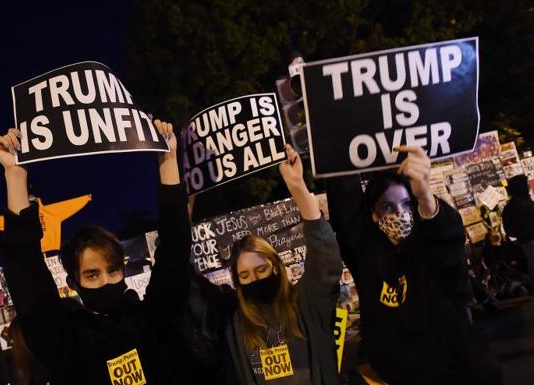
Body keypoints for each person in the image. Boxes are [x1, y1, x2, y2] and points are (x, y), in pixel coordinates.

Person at [0, 119, 192, 385]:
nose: (106, 281)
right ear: (73, 283)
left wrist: (168, 159)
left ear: (122, 269)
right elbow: (25, 273)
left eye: (112, 270)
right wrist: (15, 175)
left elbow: (175, 250)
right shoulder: (65, 341)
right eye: (91, 275)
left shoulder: (151, 319)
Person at [326, 146, 502, 385]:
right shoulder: (367, 256)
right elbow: (347, 213)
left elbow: (447, 244)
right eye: (387, 207)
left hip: (457, 375)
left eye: (407, 204)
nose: (400, 214)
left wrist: (425, 196)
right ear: (374, 215)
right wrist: (338, 139)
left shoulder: (431, 249)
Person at [188, 144, 343, 385]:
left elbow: (325, 258)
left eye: (261, 270)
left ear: (276, 267)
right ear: (237, 281)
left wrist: (298, 188)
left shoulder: (305, 302)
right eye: (246, 275)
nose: (255, 280)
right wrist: (183, 211)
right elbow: (187, 284)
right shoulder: (233, 320)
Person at [502, 174, 534, 288]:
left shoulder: (510, 206)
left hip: (525, 241)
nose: (529, 188)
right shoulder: (524, 203)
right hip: (529, 240)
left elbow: (509, 230)